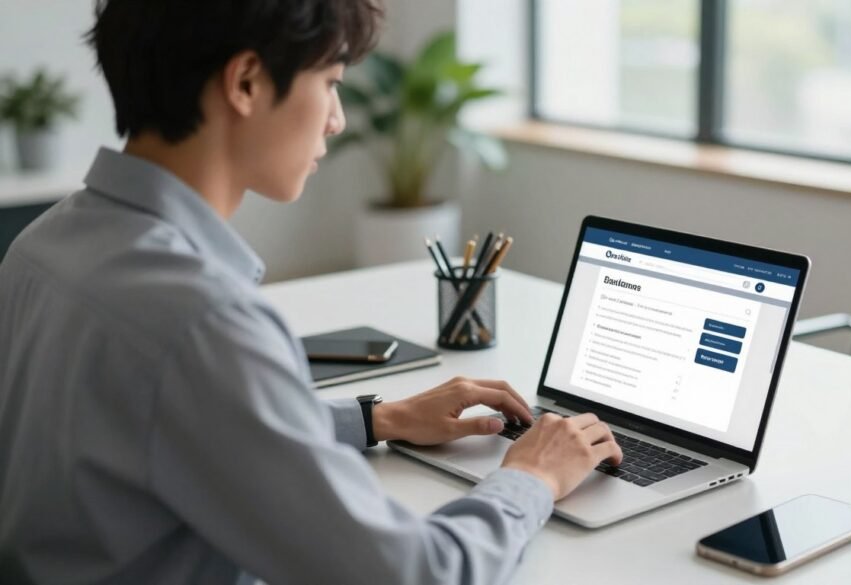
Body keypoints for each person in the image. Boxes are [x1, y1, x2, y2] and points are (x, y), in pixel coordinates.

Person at [0, 1, 622, 583]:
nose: (337, 118)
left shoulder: (41, 245)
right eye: (329, 82)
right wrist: (532, 477)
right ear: (245, 82)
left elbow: (171, 424)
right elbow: (414, 573)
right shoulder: (201, 321)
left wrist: (377, 419)